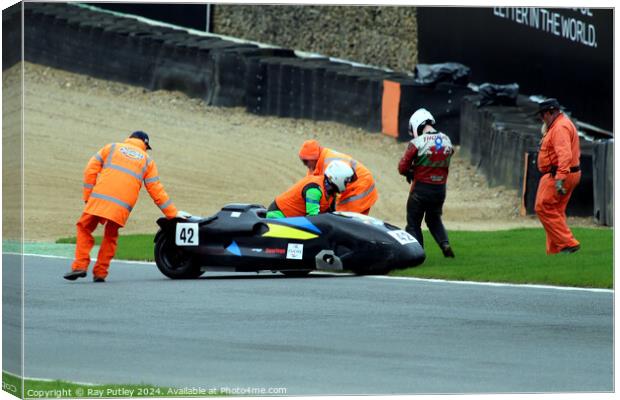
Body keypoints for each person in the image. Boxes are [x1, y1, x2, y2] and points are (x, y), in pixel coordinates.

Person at [64, 131, 187, 282]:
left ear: (130, 139)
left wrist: (88, 197)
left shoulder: (111, 148)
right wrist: (172, 214)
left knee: (84, 227)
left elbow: (90, 169)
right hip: (122, 205)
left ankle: (80, 266)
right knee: (111, 235)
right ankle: (100, 273)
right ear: (145, 145)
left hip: (99, 198)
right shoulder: (147, 161)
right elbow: (156, 189)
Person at [397, 108, 455, 258]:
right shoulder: (447, 140)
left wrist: (410, 172)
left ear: (417, 124)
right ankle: (445, 244)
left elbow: (402, 167)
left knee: (413, 223)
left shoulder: (417, 142)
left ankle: (418, 254)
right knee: (433, 218)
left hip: (420, 189)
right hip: (440, 190)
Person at [534, 98, 581, 254]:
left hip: (558, 174)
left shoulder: (560, 127)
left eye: (543, 114)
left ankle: (568, 243)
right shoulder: (559, 124)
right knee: (556, 211)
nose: (542, 118)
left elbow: (564, 154)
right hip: (567, 172)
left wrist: (559, 179)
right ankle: (555, 250)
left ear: (551, 112)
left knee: (543, 207)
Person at [298, 139, 378, 215]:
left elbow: (333, 190)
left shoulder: (328, 164)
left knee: (345, 218)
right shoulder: (318, 162)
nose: (304, 164)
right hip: (356, 183)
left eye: (305, 161)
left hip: (359, 185)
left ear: (313, 158)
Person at [266, 160, 354, 218]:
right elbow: (313, 218)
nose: (347, 185)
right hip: (278, 216)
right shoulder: (314, 190)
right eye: (346, 181)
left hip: (290, 220)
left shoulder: (331, 193)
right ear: (337, 178)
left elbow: (331, 215)